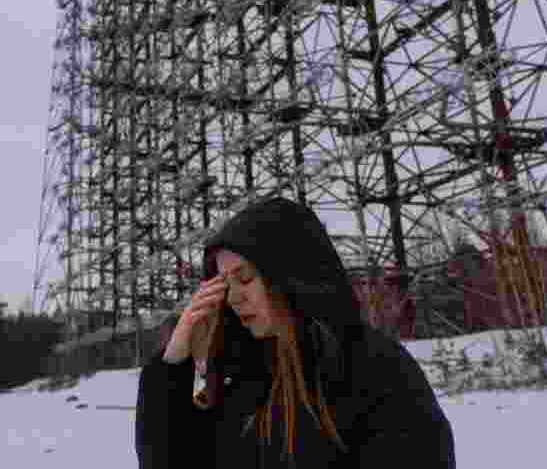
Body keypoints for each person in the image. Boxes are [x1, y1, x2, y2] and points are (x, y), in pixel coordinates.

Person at [135, 197, 455, 469]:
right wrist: (173, 361)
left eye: (245, 278)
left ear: (290, 275)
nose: (233, 298)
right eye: (225, 285)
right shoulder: (241, 381)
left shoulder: (374, 371)